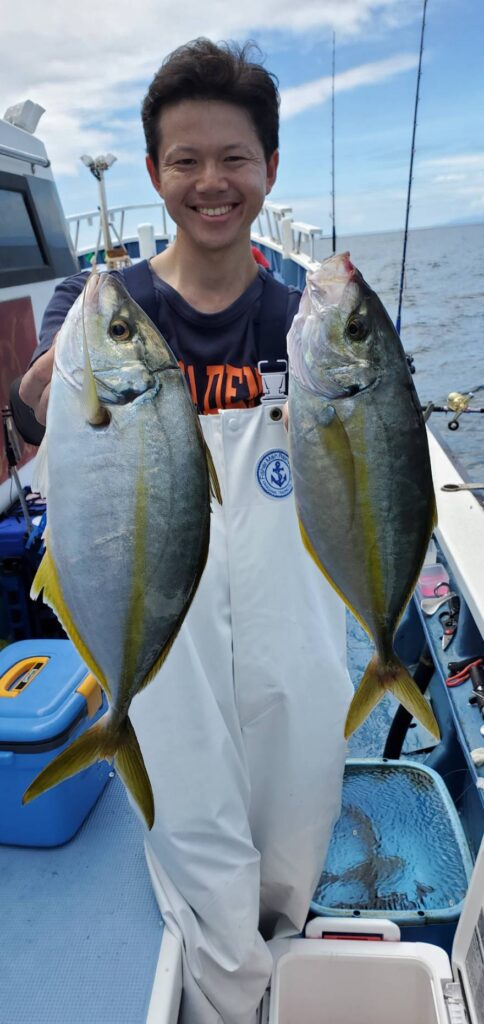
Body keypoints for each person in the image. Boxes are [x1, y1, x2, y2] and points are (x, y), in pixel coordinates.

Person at [18, 39, 353, 1024]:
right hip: (157, 599)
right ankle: (225, 993)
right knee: (192, 808)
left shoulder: (300, 321)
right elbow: (35, 423)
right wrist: (44, 389)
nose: (211, 182)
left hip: (292, 613)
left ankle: (284, 957)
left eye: (234, 158)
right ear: (154, 170)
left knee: (300, 797)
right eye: (185, 160)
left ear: (269, 169)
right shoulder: (99, 307)